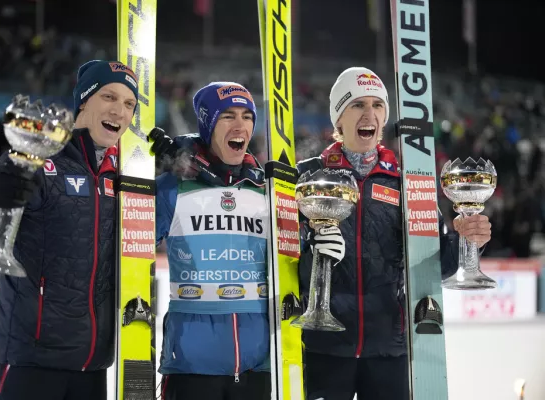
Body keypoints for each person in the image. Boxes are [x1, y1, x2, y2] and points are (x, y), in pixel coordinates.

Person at [296, 67, 493, 400]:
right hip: (322, 346)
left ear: (384, 118)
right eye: (357, 105)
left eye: (377, 105)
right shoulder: (308, 177)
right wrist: (306, 243)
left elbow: (438, 266)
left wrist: (466, 240)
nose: (369, 113)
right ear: (338, 120)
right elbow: (283, 255)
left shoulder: (407, 183)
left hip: (388, 349)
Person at [0, 60, 139, 400]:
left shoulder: (125, 175)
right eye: (109, 97)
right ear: (84, 101)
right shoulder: (37, 157)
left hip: (92, 367)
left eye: (129, 104)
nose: (119, 111)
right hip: (31, 363)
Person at [148, 82, 271, 400]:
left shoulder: (268, 191)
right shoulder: (172, 187)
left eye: (247, 116)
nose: (240, 125)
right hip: (192, 364)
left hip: (259, 365)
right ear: (208, 124)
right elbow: (131, 244)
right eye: (228, 115)